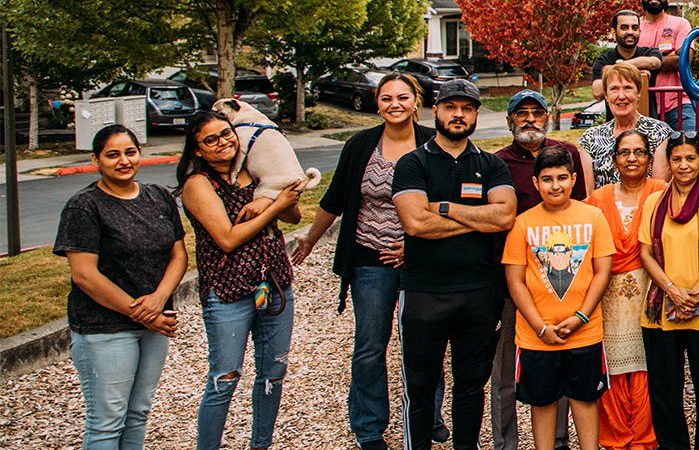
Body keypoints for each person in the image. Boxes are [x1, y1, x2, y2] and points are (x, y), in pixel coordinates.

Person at [299, 73, 446, 450]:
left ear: (417, 101)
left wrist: (413, 247)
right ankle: (368, 425)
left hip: (423, 260)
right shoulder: (360, 145)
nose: (394, 104)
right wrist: (310, 241)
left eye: (402, 97)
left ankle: (427, 415)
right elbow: (334, 200)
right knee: (370, 344)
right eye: (386, 98)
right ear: (376, 103)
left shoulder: (435, 144)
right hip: (369, 261)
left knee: (426, 342)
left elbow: (449, 205)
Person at [392, 78, 519, 450]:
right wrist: (476, 216)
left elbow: (503, 218)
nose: (458, 115)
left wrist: (442, 208)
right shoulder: (412, 163)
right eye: (451, 107)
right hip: (423, 293)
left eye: (466, 108)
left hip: (479, 293)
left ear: (477, 114)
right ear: (436, 111)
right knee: (419, 385)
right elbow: (414, 223)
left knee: (470, 385)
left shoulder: (491, 165)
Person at [177, 111, 304, 450]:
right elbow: (228, 239)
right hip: (229, 291)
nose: (223, 142)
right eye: (211, 139)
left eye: (226, 133)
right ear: (198, 151)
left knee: (273, 374)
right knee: (225, 377)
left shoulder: (254, 169)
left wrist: (278, 201)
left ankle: (260, 444)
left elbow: (293, 214)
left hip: (275, 284)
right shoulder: (197, 184)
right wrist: (273, 205)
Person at [57, 125, 188, 450]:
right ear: (96, 159)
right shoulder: (84, 206)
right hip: (105, 329)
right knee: (106, 421)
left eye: (130, 152)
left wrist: (158, 301)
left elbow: (179, 254)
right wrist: (145, 314)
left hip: (155, 323)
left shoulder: (158, 195)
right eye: (112, 154)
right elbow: (84, 275)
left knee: (138, 413)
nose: (123, 160)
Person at [495, 88, 593, 449]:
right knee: (508, 369)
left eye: (536, 112)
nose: (530, 119)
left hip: (568, 282)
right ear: (510, 121)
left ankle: (559, 440)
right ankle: (506, 441)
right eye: (522, 114)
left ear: (547, 117)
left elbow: (581, 212)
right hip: (515, 282)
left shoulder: (567, 156)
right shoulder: (498, 163)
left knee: (567, 364)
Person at [504, 147, 615, 450]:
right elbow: (515, 281)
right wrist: (541, 327)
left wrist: (580, 317)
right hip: (535, 336)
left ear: (574, 179)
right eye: (547, 179)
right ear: (535, 183)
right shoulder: (522, 223)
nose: (556, 186)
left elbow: (602, 271)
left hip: (585, 333)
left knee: (584, 398)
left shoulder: (593, 217)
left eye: (562, 178)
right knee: (542, 402)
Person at [638, 134, 699, 450]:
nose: (684, 166)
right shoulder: (653, 203)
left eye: (690, 158)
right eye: (677, 159)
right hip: (660, 309)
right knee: (665, 390)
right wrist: (672, 291)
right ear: (669, 162)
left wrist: (691, 294)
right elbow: (646, 253)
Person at [585, 129, 667, 450]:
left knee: (650, 365)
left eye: (639, 152)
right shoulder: (598, 200)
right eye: (624, 152)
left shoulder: (661, 193)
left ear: (649, 159)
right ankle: (617, 437)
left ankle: (646, 436)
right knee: (613, 366)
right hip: (608, 297)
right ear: (614, 159)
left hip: (652, 291)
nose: (631, 158)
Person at [581, 64, 672, 186]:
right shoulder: (591, 138)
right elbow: (589, 196)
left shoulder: (659, 132)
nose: (621, 96)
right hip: (601, 204)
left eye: (627, 88)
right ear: (606, 96)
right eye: (614, 89)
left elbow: (659, 190)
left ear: (638, 93)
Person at [631, 0, 697, 130]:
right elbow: (625, 63)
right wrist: (665, 57)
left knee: (690, 148)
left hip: (677, 105)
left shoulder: (680, 24)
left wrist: (642, 62)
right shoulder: (633, 27)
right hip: (640, 108)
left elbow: (682, 61)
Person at [592, 9, 664, 102]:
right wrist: (635, 71)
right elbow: (597, 93)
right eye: (624, 28)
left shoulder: (649, 53)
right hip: (615, 115)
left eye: (634, 28)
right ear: (613, 32)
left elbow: (654, 63)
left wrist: (616, 68)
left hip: (647, 115)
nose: (630, 32)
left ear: (640, 32)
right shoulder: (604, 60)